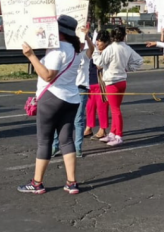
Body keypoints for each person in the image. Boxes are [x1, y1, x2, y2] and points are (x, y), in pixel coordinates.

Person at [18, 15, 81, 195]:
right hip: (71, 98)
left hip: (52, 98)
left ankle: (37, 183)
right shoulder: (75, 49)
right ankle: (71, 182)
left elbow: (47, 75)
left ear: (59, 32)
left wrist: (31, 56)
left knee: (44, 140)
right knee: (66, 140)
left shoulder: (57, 49)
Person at [93, 26, 143, 147]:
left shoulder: (110, 48)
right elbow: (139, 60)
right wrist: (129, 68)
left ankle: (119, 135)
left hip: (112, 81)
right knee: (116, 108)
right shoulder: (127, 47)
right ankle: (112, 132)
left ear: (112, 36)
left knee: (115, 110)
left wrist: (95, 50)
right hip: (122, 81)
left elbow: (99, 63)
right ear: (124, 36)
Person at [51, 27, 95, 158]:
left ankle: (78, 148)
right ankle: (55, 146)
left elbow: (92, 49)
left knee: (79, 120)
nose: (81, 44)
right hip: (66, 89)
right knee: (58, 119)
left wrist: (86, 36)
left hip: (81, 89)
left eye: (82, 42)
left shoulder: (85, 55)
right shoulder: (68, 54)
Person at [85, 30, 111, 140]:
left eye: (100, 41)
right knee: (90, 106)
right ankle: (89, 127)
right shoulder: (94, 50)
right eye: (97, 41)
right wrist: (86, 36)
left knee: (102, 107)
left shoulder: (109, 52)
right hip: (91, 82)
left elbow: (100, 66)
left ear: (106, 43)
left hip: (102, 82)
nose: (98, 43)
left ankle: (103, 129)